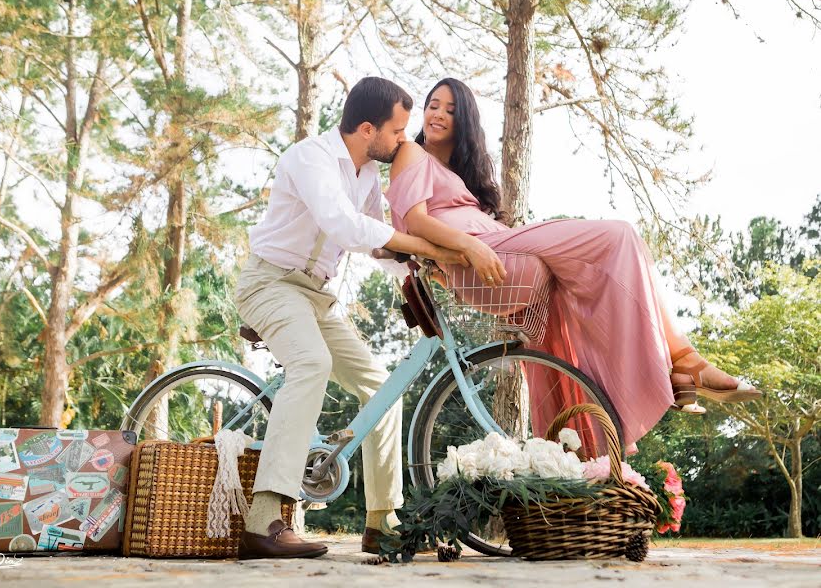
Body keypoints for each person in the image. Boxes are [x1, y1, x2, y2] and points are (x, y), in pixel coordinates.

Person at [385, 77, 762, 451]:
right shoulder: (410, 153)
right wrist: (466, 248)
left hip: (497, 253)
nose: (437, 114)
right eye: (433, 105)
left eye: (450, 110)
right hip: (485, 251)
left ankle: (576, 449)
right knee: (619, 236)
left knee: (568, 322)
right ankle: (683, 359)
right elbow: (415, 222)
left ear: (463, 122)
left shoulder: (455, 174)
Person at [234, 77, 468, 559]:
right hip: (271, 283)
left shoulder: (365, 176)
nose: (404, 139)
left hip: (315, 297)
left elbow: (376, 242)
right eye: (398, 131)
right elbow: (342, 223)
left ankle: (382, 521)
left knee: (382, 388)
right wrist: (423, 243)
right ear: (368, 129)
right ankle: (263, 520)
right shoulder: (310, 157)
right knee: (312, 364)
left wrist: (426, 266)